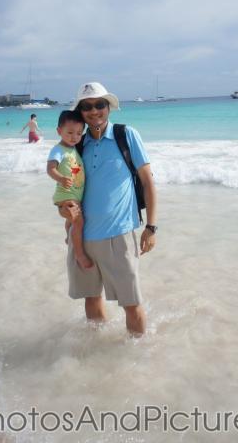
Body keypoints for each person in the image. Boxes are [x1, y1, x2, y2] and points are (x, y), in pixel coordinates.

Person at [65, 81, 157, 336]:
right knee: (91, 299)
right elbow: (71, 190)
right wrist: (68, 225)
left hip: (119, 234)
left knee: (132, 303)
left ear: (108, 107)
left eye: (99, 105)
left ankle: (137, 358)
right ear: (80, 112)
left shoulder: (126, 135)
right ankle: (97, 353)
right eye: (87, 107)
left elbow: (148, 181)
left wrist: (151, 227)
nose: (94, 111)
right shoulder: (78, 144)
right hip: (83, 237)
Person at [47, 110, 93, 270]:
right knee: (79, 222)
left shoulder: (73, 149)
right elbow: (50, 169)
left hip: (74, 195)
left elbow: (74, 168)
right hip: (66, 195)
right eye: (70, 132)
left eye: (79, 133)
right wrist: (60, 178)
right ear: (59, 131)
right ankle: (79, 254)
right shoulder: (58, 150)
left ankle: (68, 236)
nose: (75, 137)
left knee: (71, 222)